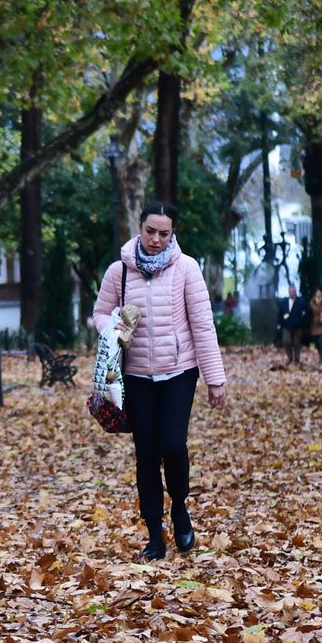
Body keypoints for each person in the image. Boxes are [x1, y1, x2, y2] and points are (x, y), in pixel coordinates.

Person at [91, 202, 227, 561]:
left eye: (163, 233)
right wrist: (114, 325)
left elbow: (203, 325)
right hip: (135, 376)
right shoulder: (118, 271)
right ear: (140, 227)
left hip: (179, 372)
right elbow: (100, 313)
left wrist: (215, 379)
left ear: (172, 234)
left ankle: (179, 506)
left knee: (173, 445)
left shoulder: (186, 269)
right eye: (150, 231)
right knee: (146, 454)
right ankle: (154, 534)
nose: (155, 239)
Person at [278, 284, 309, 365]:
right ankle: (290, 357)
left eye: (294, 291)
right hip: (286, 325)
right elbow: (280, 314)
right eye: (292, 291)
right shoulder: (284, 302)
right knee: (286, 341)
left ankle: (297, 359)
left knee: (296, 343)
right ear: (289, 292)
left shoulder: (301, 301)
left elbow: (306, 312)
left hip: (297, 325)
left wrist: (302, 319)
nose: (293, 293)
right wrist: (279, 323)